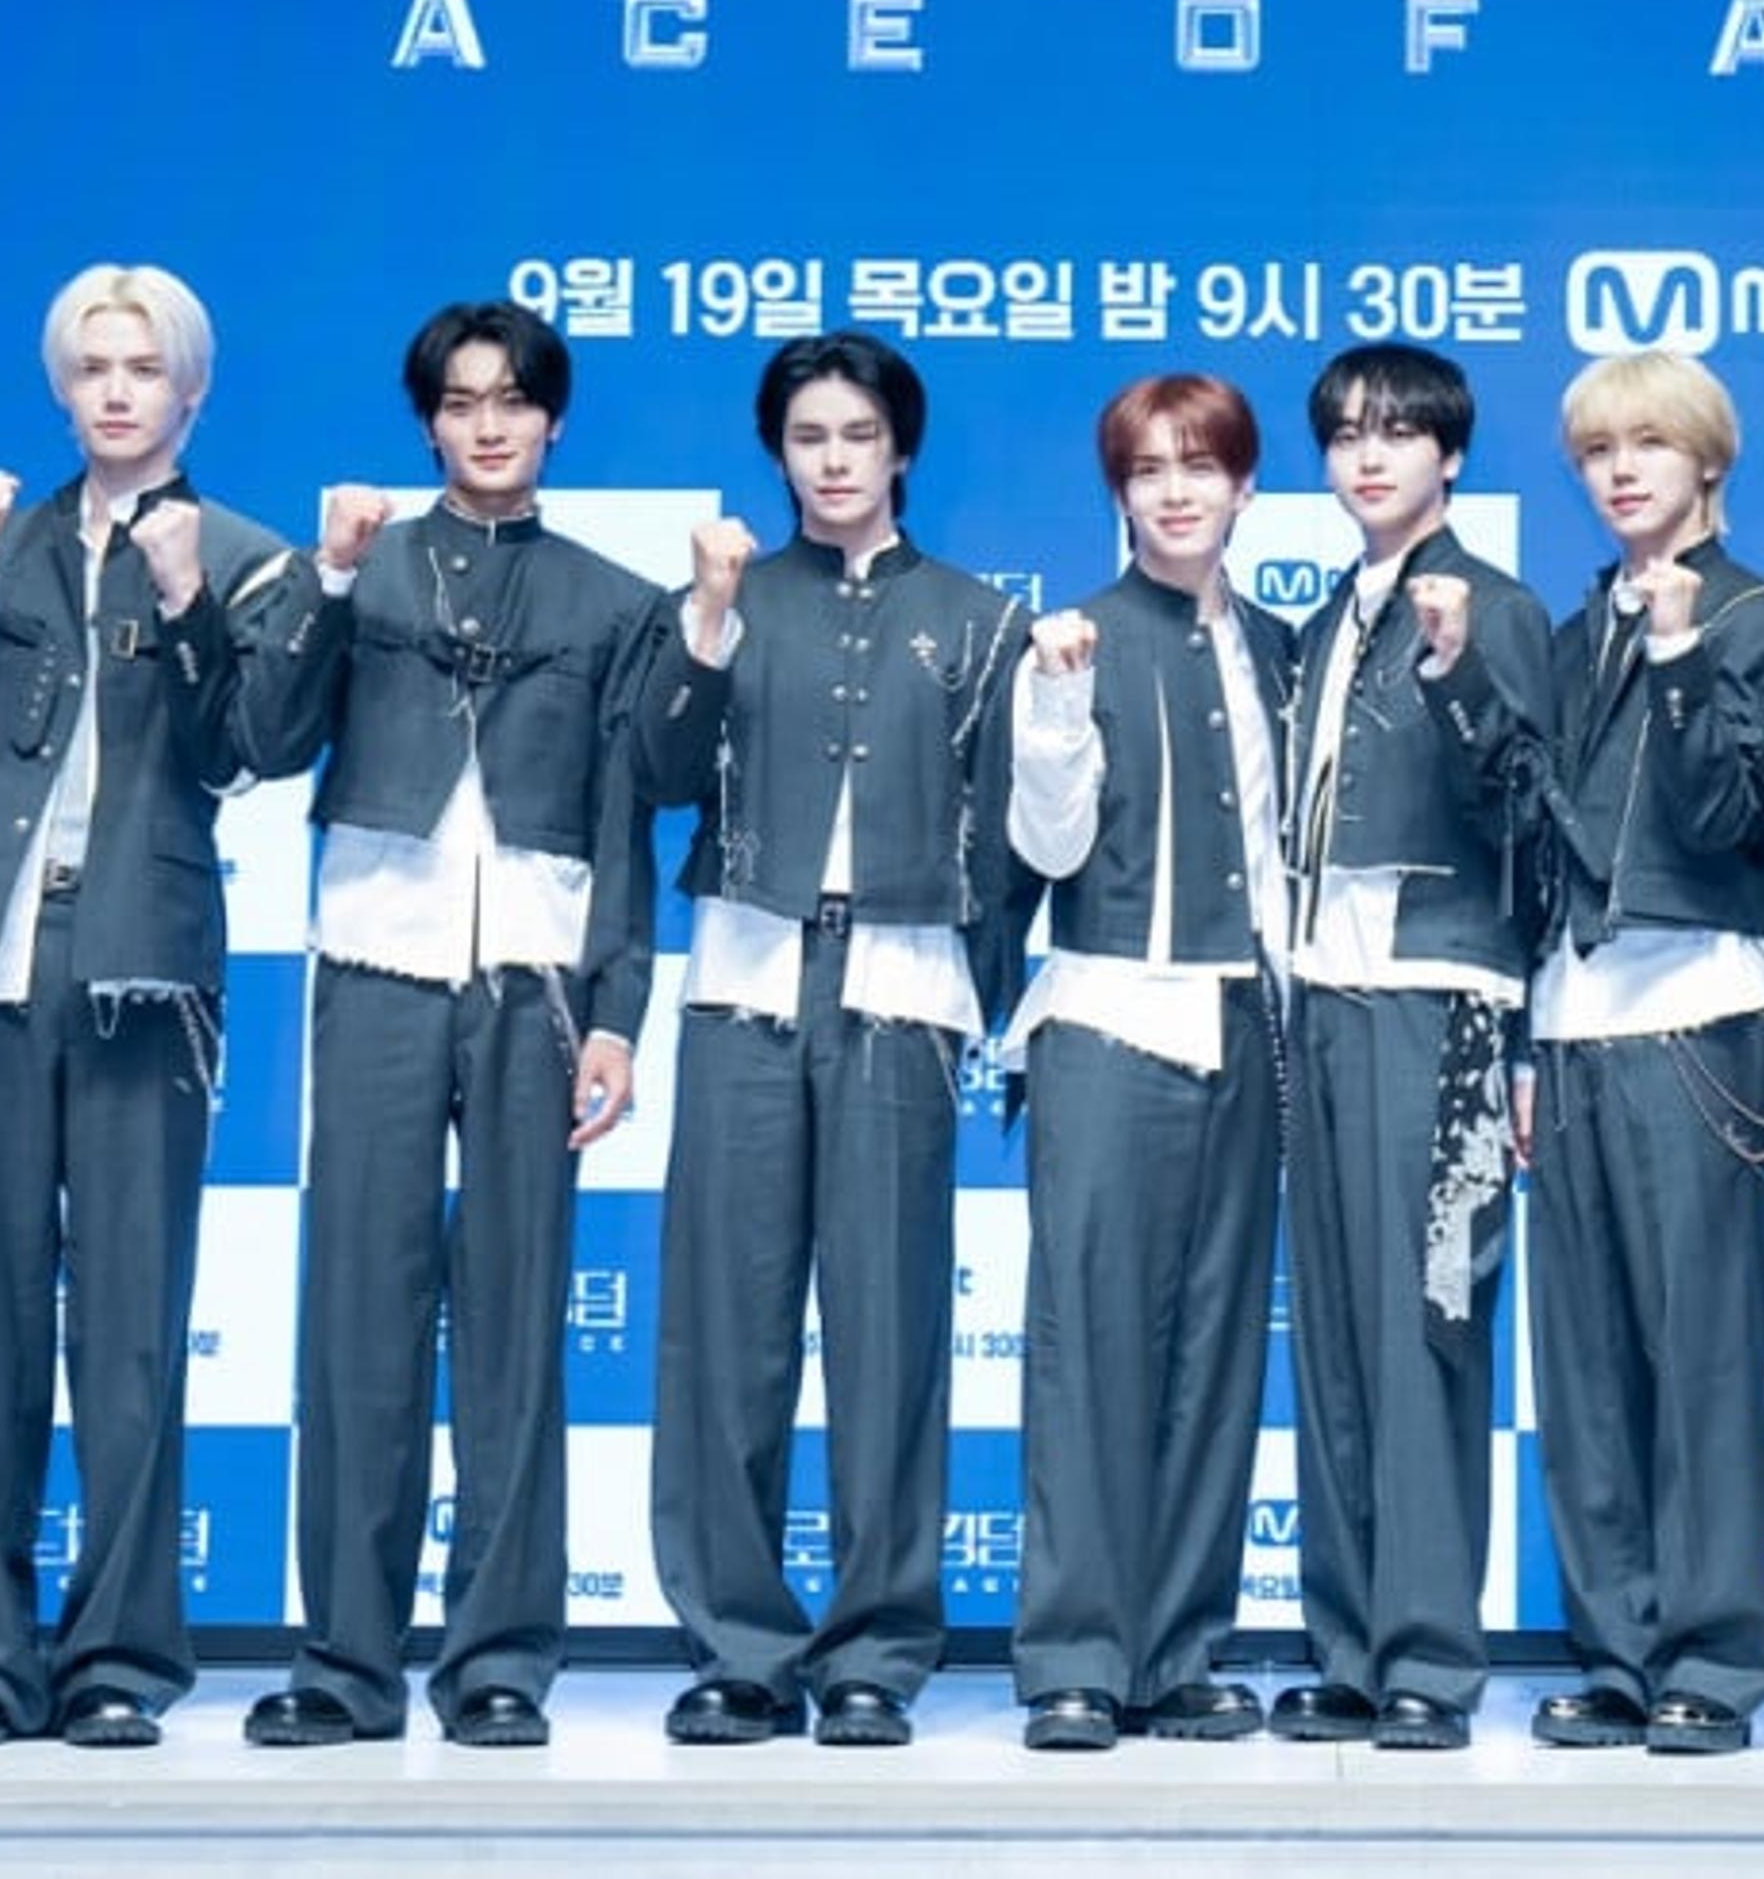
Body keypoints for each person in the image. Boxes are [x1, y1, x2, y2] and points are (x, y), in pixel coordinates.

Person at [0, 262, 298, 1750]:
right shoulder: (9, 538)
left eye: (145, 367)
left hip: (143, 961)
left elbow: (250, 750)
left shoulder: (245, 556)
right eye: (94, 367)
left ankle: (118, 1656)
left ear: (193, 391)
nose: (118, 391)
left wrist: (185, 602)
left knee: (128, 1331)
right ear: (63, 388)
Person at [235, 301, 666, 1750]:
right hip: (377, 961)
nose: (490, 424)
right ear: (428, 421)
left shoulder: (614, 602)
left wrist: (615, 1014)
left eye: (515, 400)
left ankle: (499, 1661)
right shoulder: (362, 567)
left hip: (535, 980)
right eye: (463, 401)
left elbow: (625, 828)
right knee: (358, 1314)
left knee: (516, 1326)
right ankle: (344, 1662)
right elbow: (269, 735)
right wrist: (326, 575)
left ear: (554, 420)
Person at [637, 330, 1027, 1750]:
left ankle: (878, 1647)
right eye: (809, 436)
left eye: (860, 433)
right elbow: (655, 772)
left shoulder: (979, 619)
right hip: (746, 978)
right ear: (778, 452)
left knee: (889, 1330)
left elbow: (1014, 848)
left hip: (904, 990)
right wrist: (705, 620)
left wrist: (980, 1001)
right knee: (726, 1328)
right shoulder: (726, 600)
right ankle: (738, 1646)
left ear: (901, 447)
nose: (835, 459)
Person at [1428, 352, 1764, 1756]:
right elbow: (1537, 840)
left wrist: (1683, 654)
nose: (1622, 471)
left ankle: (1712, 1655)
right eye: (1597, 451)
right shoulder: (1579, 626)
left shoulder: (1762, 620)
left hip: (1699, 1016)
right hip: (1573, 1026)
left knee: (1702, 1352)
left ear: (1710, 459)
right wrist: (1529, 1044)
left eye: (1650, 443)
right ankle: (1619, 1649)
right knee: (1584, 1368)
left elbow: (1727, 819)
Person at [999, 374, 1295, 1753]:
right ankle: (1073, 1653)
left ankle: (1177, 1650)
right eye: (1149, 469)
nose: (1177, 491)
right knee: (1091, 1345)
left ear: (1245, 486)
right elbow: (1048, 847)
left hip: (1251, 1025)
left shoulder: (1285, 649)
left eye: (1202, 465)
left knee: (1216, 1352)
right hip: (1114, 1021)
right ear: (1118, 491)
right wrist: (1059, 709)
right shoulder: (1071, 640)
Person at [1271, 341, 1554, 1752]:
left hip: (1444, 997)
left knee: (1429, 1322)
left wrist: (1454, 668)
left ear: (1452, 453)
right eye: (1345, 435)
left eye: (1398, 432)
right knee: (1333, 1329)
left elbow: (1536, 819)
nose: (1368, 456)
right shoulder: (1326, 615)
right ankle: (1347, 1642)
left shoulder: (1496, 608)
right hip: (1321, 993)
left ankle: (1430, 1657)